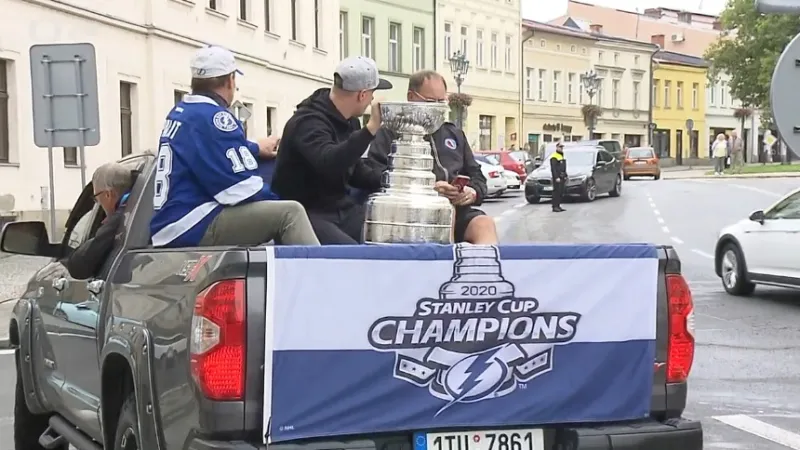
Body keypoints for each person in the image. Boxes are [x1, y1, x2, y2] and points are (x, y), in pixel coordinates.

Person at [149, 46, 320, 248]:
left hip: (171, 221)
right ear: (230, 80)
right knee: (291, 213)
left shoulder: (182, 112)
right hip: (190, 224)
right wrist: (277, 197)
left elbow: (207, 149)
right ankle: (321, 270)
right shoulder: (214, 117)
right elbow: (240, 189)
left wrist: (254, 148)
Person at [366, 70, 497, 245]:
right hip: (410, 213)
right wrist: (428, 189)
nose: (437, 108)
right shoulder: (390, 133)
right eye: (430, 102)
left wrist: (472, 192)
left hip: (457, 209)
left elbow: (477, 175)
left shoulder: (454, 134)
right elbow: (374, 174)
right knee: (445, 218)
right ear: (411, 97)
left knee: (484, 224)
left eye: (441, 102)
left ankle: (484, 262)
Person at [272, 56, 392, 244]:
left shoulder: (350, 121)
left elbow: (356, 170)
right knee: (354, 255)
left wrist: (392, 181)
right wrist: (371, 128)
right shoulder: (307, 122)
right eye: (372, 93)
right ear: (362, 95)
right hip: (305, 213)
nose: (372, 100)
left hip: (340, 209)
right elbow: (329, 163)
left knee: (389, 238)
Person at [65, 163, 134, 279]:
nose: (98, 203)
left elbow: (79, 266)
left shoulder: (119, 220)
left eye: (96, 198)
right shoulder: (137, 207)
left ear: (108, 195)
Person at [550, 142, 567, 213]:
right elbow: (553, 168)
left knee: (560, 192)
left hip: (562, 176)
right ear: (557, 147)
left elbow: (563, 167)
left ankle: (558, 205)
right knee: (556, 192)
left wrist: (565, 175)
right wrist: (556, 177)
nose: (561, 148)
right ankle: (555, 206)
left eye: (562, 147)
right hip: (557, 177)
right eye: (560, 147)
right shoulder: (554, 156)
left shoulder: (561, 155)